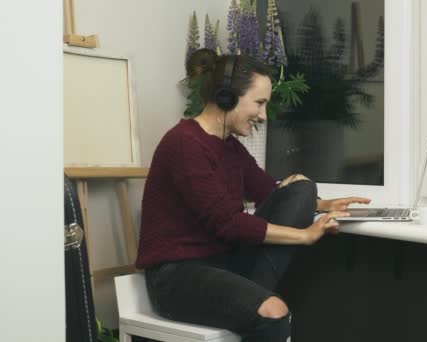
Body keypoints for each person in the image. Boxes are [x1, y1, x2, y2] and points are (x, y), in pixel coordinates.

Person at [135, 48, 371, 342]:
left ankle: (253, 300)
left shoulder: (229, 147)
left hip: (224, 263)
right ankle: (261, 305)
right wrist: (305, 235)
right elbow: (228, 223)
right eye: (259, 103)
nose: (262, 115)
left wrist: (322, 204)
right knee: (274, 312)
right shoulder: (184, 143)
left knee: (302, 188)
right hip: (177, 278)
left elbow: (267, 191)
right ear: (227, 96)